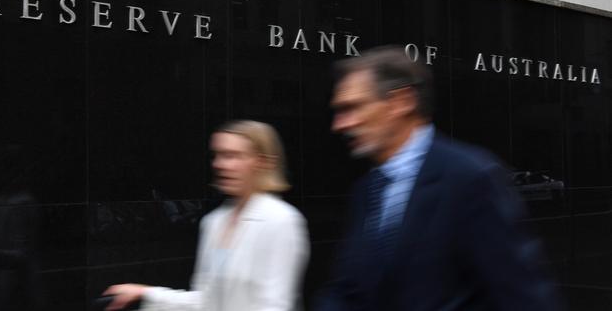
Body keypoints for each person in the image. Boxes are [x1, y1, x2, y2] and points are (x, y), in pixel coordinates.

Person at [315, 46, 561, 311]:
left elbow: (522, 295)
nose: (340, 124)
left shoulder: (469, 177)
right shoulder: (366, 191)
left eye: (352, 107)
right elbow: (348, 291)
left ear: (400, 102)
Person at [104, 120, 309, 311]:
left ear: (262, 162)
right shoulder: (214, 222)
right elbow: (206, 300)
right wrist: (145, 293)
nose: (219, 164)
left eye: (232, 155)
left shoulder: (281, 220)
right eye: (217, 155)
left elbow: (275, 306)